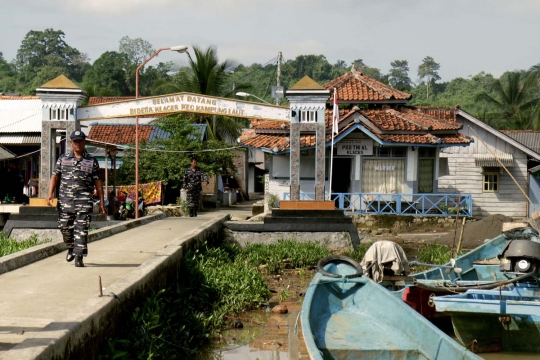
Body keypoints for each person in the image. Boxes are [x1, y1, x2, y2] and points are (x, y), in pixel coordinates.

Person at [46, 130, 105, 267]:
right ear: (71, 143)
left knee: (82, 229)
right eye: (75, 141)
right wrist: (50, 194)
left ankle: (79, 257)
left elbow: (98, 182)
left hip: (84, 201)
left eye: (81, 141)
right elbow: (55, 176)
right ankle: (71, 248)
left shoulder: (91, 161)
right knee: (65, 227)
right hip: (65, 201)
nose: (78, 144)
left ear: (84, 142)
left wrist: (101, 202)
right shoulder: (63, 159)